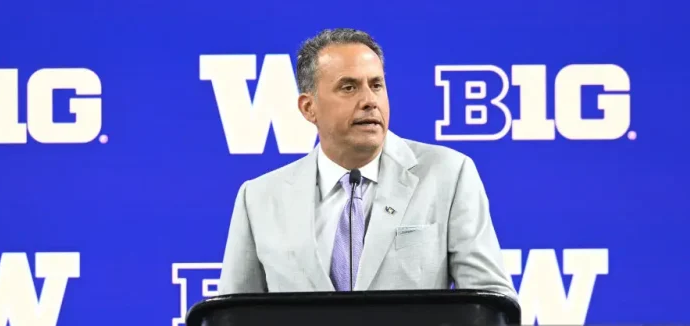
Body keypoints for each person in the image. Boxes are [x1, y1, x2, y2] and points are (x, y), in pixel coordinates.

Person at [216, 28, 518, 303]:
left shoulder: (449, 175)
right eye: (349, 88)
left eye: (376, 85)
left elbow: (491, 304)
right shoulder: (258, 198)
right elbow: (230, 325)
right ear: (309, 108)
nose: (369, 100)